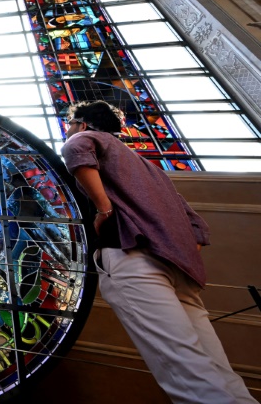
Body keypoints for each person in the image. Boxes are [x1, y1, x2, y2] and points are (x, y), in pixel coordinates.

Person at [61, 100, 257, 404]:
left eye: (71, 125)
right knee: (214, 366)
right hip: (179, 270)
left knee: (186, 372)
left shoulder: (88, 138)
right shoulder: (151, 170)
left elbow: (75, 151)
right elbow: (198, 228)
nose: (69, 131)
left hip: (133, 259)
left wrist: (103, 209)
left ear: (83, 125)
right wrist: (170, 246)